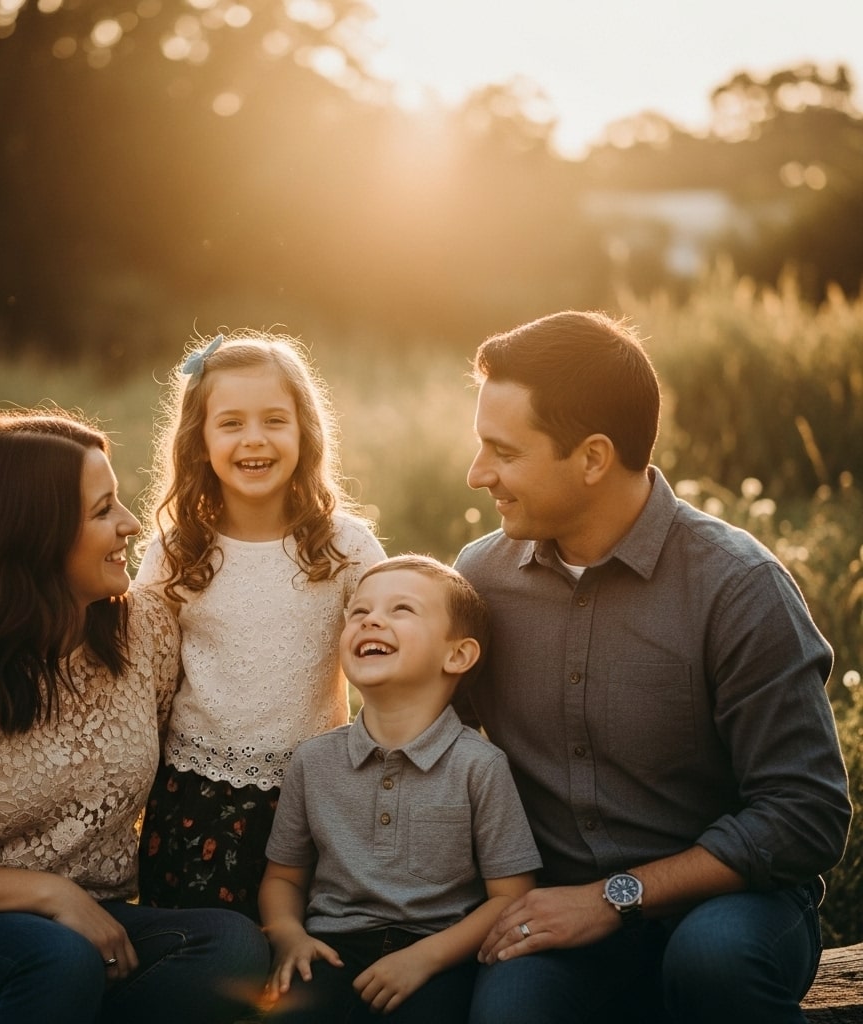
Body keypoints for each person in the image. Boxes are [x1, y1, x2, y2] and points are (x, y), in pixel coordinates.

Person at [453, 310, 852, 1024]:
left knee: (713, 963)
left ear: (594, 457)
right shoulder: (480, 580)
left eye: (503, 451)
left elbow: (806, 815)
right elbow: (434, 753)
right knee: (508, 1013)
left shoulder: (737, 586)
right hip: (559, 914)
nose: (477, 473)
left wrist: (614, 898)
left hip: (733, 906)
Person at [0, 409, 270, 1024]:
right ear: (29, 535)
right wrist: (50, 894)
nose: (129, 524)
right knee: (56, 961)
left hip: (92, 926)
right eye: (102, 511)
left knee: (230, 948)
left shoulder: (143, 630)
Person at [136, 330, 386, 921]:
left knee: (308, 954)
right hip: (194, 796)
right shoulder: (175, 551)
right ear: (199, 439)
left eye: (275, 419)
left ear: (305, 431)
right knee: (214, 959)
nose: (255, 439)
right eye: (231, 423)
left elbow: (395, 653)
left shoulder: (345, 546)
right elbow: (141, 677)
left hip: (317, 792)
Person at [259, 554, 542, 1023]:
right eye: (359, 611)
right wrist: (290, 935)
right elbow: (284, 877)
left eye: (401, 610)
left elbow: (511, 898)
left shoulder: (480, 766)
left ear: (458, 655)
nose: (371, 619)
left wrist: (425, 959)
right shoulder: (313, 760)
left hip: (440, 957)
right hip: (331, 949)